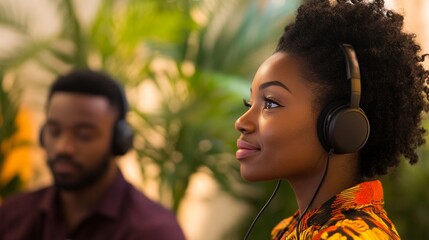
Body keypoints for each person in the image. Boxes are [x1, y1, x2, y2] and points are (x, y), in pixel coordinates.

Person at [235, 0, 428, 239]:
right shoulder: (291, 230)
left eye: (271, 103)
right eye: (250, 103)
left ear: (341, 125)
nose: (241, 122)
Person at [0, 69, 186, 240]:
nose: (63, 147)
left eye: (84, 135)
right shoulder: (14, 215)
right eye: (55, 131)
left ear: (118, 141)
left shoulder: (154, 232)